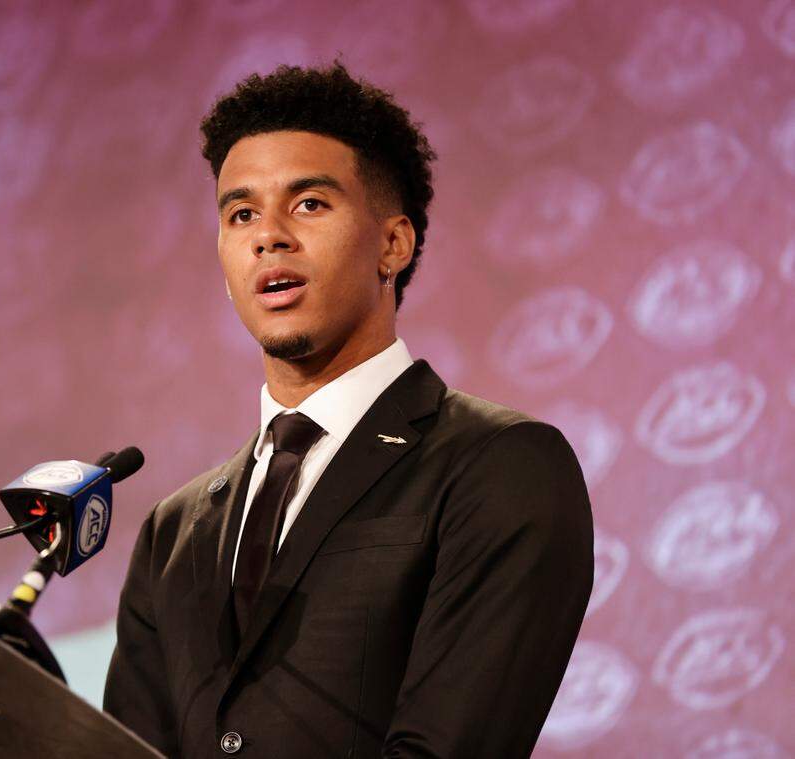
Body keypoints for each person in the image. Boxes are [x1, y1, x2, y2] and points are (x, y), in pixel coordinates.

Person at [104, 63, 594, 759]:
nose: (268, 236)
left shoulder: (500, 465)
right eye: (241, 213)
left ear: (393, 243)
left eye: (308, 204)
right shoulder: (174, 531)